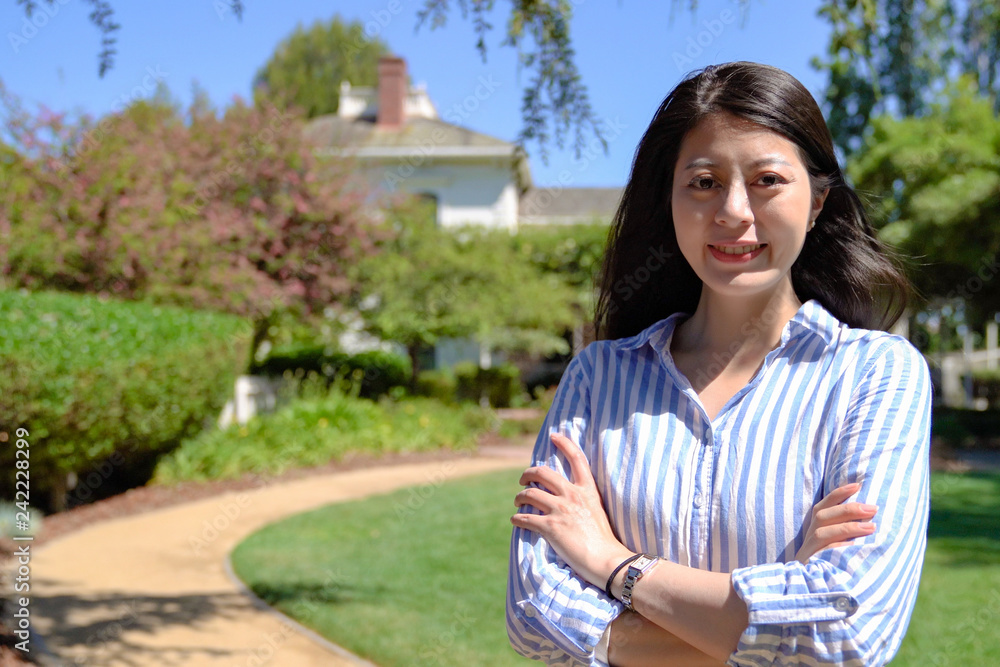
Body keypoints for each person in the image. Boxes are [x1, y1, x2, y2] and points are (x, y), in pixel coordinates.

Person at [505, 61, 932, 667]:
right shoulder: (597, 378)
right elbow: (533, 618)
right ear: (670, 200)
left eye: (767, 180)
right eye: (703, 182)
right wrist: (769, 615)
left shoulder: (875, 375)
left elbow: (846, 636)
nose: (733, 211)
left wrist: (610, 565)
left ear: (817, 202)